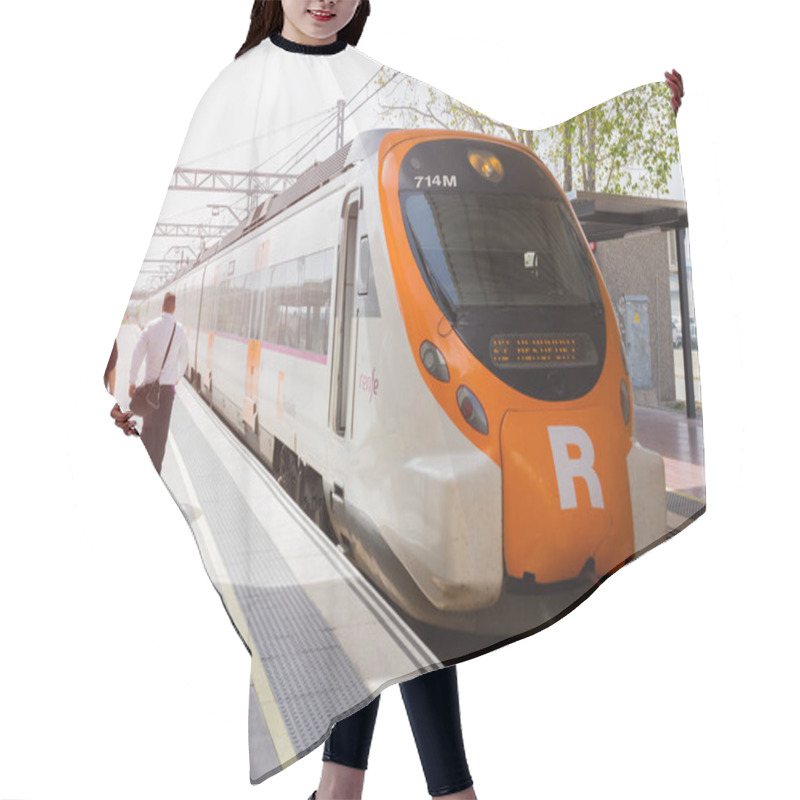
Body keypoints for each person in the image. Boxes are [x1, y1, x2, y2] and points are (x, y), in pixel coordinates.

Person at [110, 2, 684, 796]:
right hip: (344, 435)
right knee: (400, 616)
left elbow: (531, 132)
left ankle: (353, 789)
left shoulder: (382, 84)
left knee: (396, 614)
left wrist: (647, 110)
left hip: (370, 450)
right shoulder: (237, 89)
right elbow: (160, 213)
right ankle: (435, 790)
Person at [125, 292, 189, 474]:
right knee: (160, 438)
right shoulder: (180, 330)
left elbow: (137, 354)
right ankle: (156, 474)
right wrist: (177, 378)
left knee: (147, 430)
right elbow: (184, 359)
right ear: (174, 309)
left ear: (162, 307)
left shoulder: (151, 327)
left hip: (148, 391)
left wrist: (132, 381)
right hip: (167, 392)